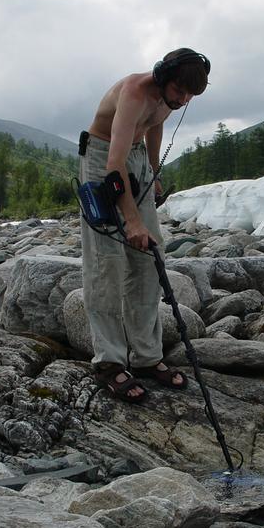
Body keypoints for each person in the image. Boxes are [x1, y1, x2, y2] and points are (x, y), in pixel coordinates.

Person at [79, 48, 211, 403]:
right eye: (180, 91)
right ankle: (109, 362)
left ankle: (146, 357)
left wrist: (152, 171)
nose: (183, 100)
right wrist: (133, 221)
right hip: (102, 158)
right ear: (163, 75)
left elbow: (156, 125)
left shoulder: (170, 99)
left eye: (189, 96)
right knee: (106, 263)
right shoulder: (135, 93)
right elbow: (113, 165)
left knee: (151, 258)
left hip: (136, 160)